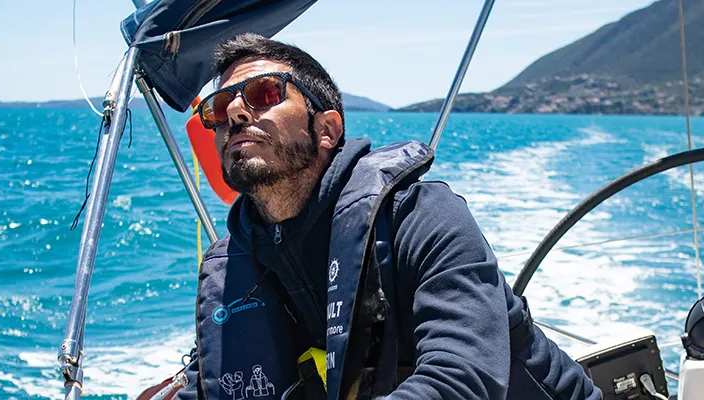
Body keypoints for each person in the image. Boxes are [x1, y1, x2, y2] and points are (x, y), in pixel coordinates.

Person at [177, 33, 600, 400]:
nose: (234, 113)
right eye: (217, 108)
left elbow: (465, 380)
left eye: (264, 93)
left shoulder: (420, 217)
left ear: (327, 129)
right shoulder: (231, 271)